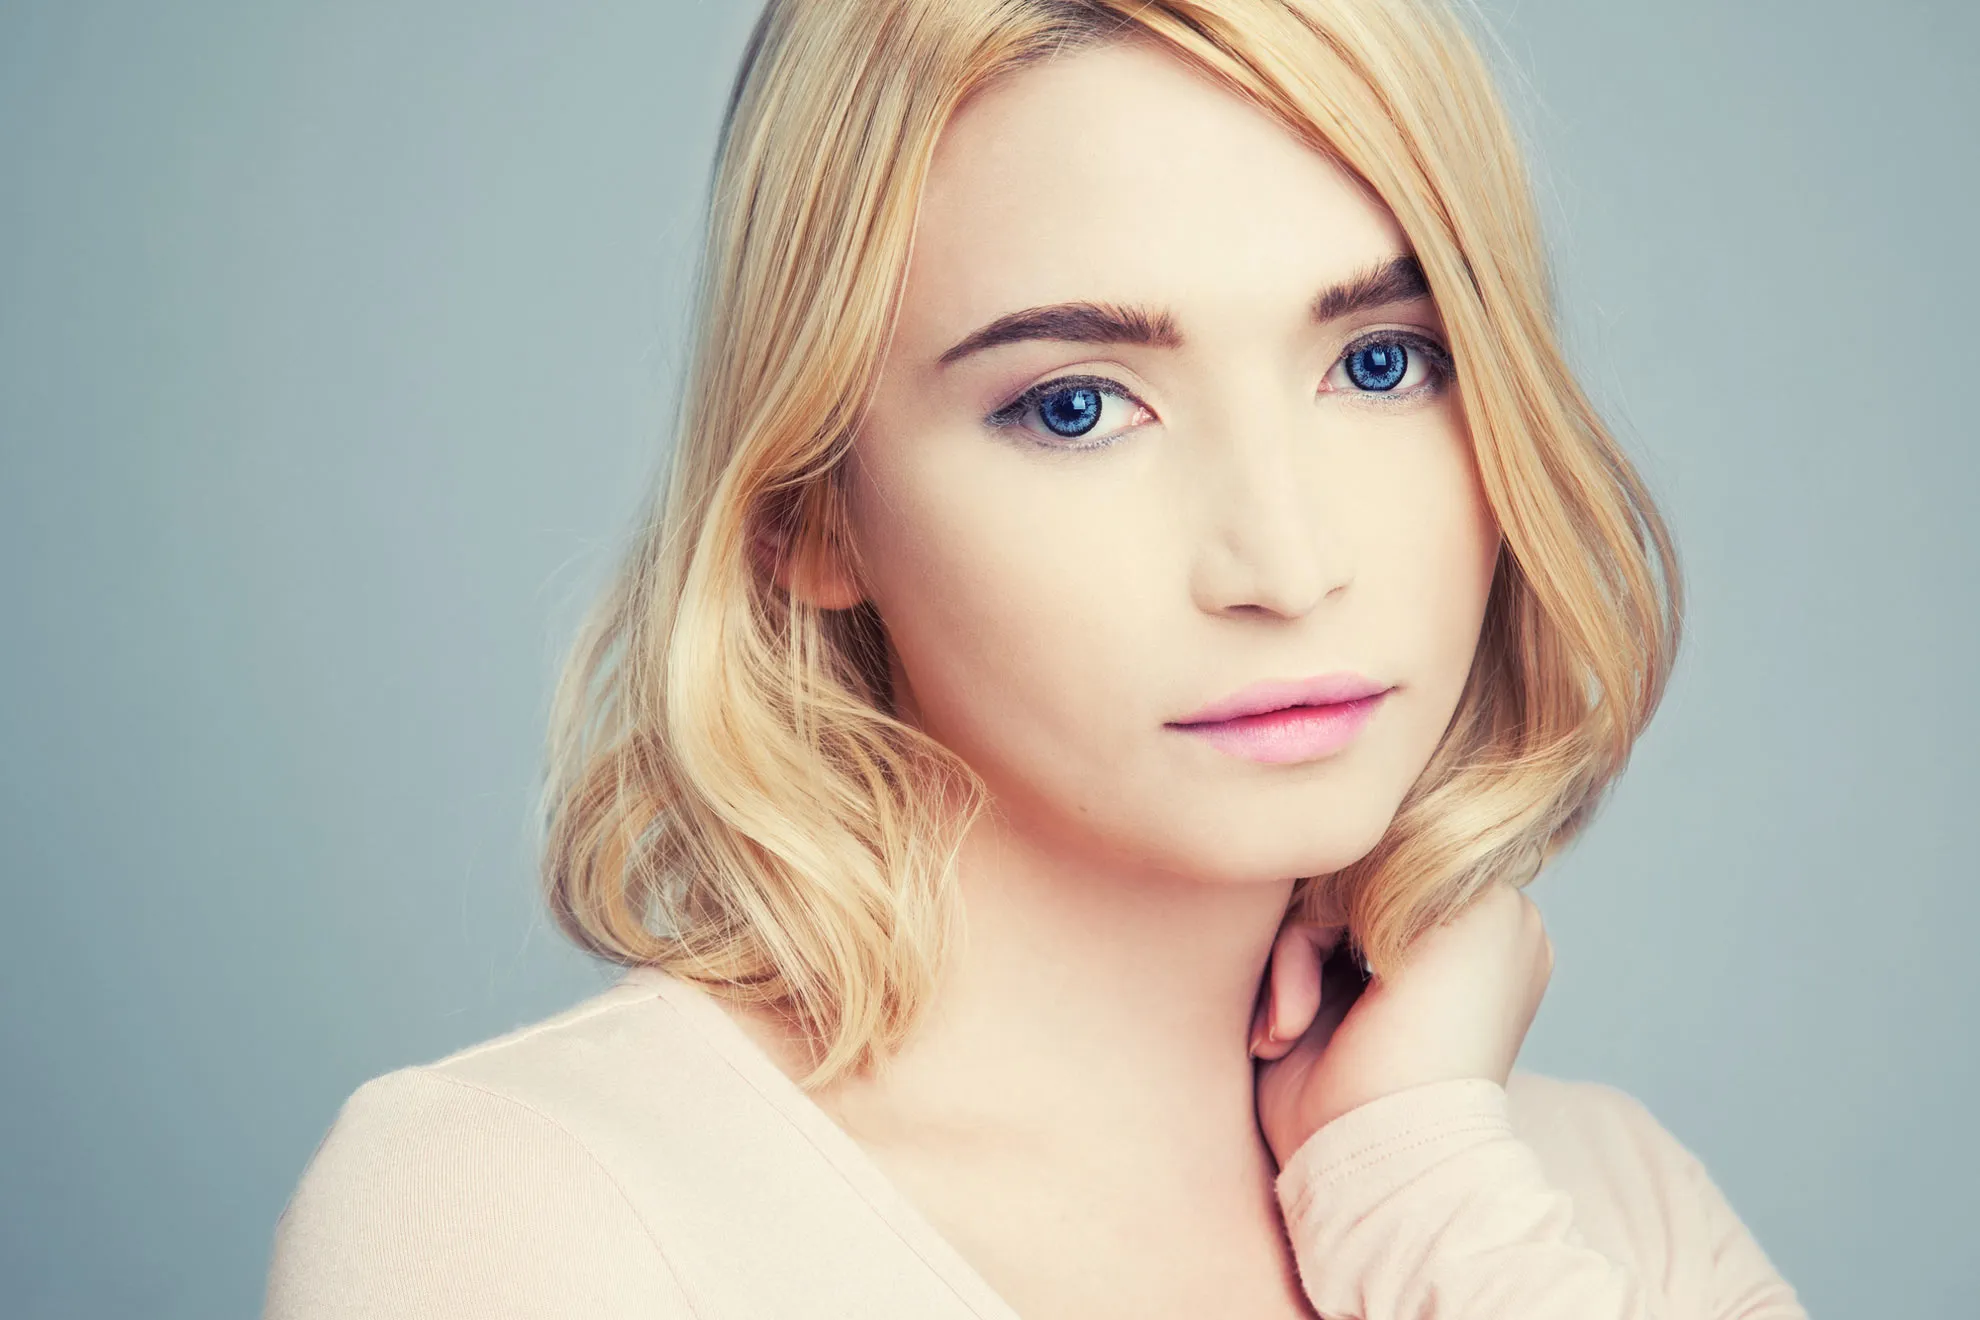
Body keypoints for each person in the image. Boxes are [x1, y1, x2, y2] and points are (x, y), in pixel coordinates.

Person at [264, 1, 1811, 1316]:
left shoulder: (1600, 1210)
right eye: (1076, 406)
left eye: (1381, 362)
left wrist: (1421, 1188)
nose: (1287, 567)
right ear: (806, 512)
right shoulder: (529, 1215)